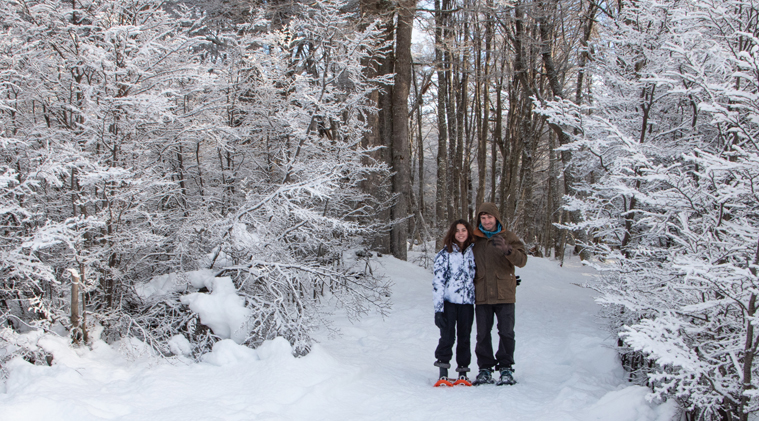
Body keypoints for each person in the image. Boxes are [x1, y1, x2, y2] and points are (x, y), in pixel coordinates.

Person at [471, 202, 527, 386]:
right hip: (482, 294)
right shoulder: (474, 239)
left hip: (504, 293)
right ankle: (485, 369)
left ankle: (505, 368)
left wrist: (507, 250)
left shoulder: (508, 236)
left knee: (506, 332)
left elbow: (522, 260)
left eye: (490, 217)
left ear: (497, 218)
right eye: (483, 217)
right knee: (482, 334)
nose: (486, 221)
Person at [432, 219, 476, 386]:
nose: (461, 233)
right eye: (457, 230)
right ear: (452, 233)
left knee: (465, 337)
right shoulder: (445, 254)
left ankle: (463, 371)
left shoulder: (474, 252)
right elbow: (438, 282)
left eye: (464, 230)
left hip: (467, 304)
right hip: (449, 303)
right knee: (447, 336)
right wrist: (438, 309)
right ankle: (443, 370)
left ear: (468, 232)